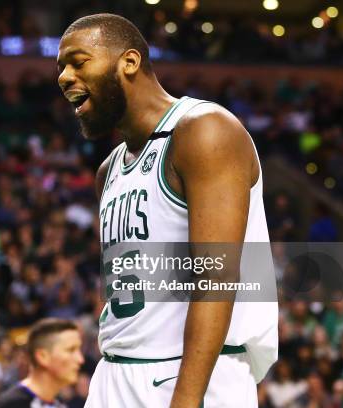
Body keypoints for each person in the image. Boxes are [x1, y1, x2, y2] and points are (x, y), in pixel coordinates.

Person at [56, 13, 278, 408]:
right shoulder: (108, 170)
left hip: (190, 378)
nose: (65, 77)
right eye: (61, 68)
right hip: (115, 373)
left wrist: (187, 400)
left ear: (129, 62)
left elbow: (217, 279)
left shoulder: (205, 130)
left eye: (78, 61)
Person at [0, 318, 84, 408]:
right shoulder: (11, 404)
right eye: (71, 350)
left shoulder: (59, 404)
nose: (80, 359)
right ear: (43, 356)